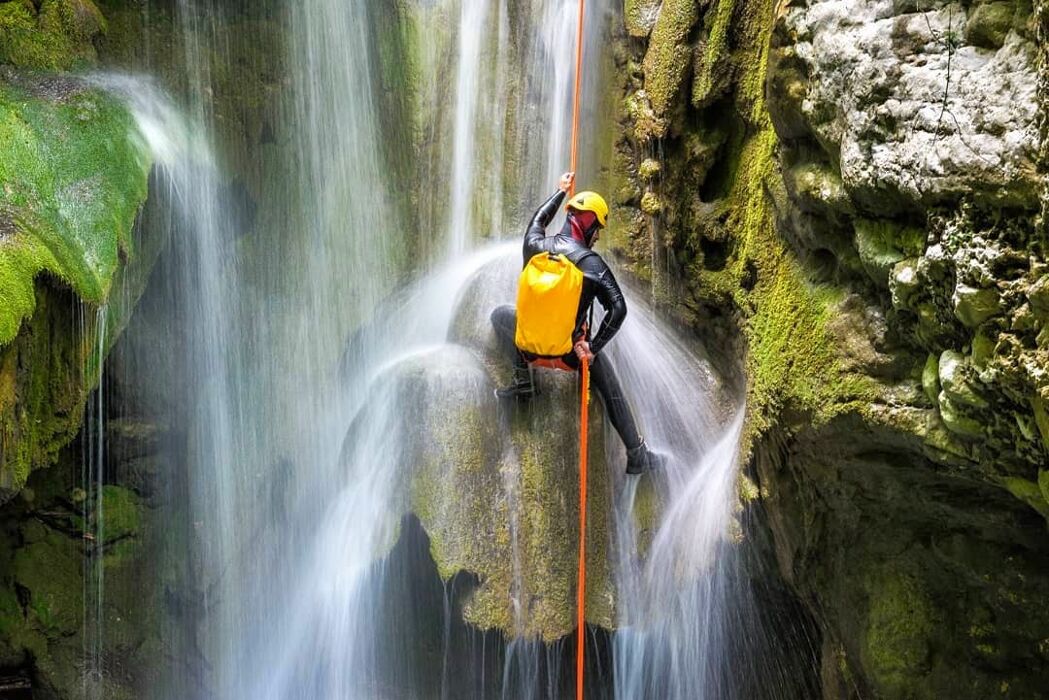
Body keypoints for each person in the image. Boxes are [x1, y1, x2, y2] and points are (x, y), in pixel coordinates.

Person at [491, 172, 666, 475]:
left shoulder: (533, 245)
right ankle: (637, 454)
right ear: (586, 223)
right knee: (611, 387)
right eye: (597, 226)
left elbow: (538, 220)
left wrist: (560, 192)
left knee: (499, 316)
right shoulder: (591, 264)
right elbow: (619, 309)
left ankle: (523, 382)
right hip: (570, 355)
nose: (598, 235)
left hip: (529, 349)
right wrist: (593, 347)